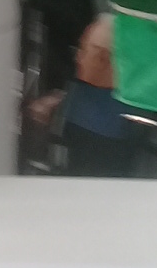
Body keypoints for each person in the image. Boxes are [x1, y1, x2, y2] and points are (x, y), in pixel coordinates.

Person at [27, 14, 136, 177]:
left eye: (86, 51)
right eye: (80, 48)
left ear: (107, 60)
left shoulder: (107, 123)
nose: (78, 57)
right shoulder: (89, 88)